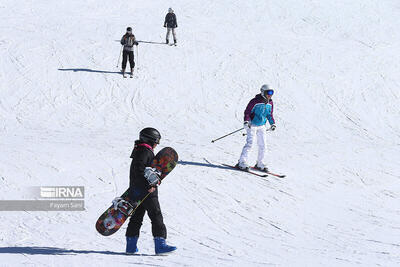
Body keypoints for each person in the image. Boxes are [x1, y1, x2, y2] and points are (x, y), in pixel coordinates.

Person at [125, 127, 177, 255]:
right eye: (156, 142)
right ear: (150, 140)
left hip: (137, 189)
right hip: (147, 190)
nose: (156, 145)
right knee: (156, 215)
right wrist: (148, 185)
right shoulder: (144, 151)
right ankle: (160, 246)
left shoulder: (140, 150)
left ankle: (131, 247)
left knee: (137, 217)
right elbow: (139, 170)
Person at [236, 85, 276, 171]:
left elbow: (269, 114)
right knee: (250, 143)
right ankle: (242, 162)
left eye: (272, 92)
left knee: (263, 145)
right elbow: (247, 112)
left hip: (262, 126)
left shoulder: (270, 103)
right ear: (263, 92)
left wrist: (272, 124)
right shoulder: (255, 101)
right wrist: (246, 121)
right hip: (252, 125)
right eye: (268, 92)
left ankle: (260, 163)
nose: (270, 95)